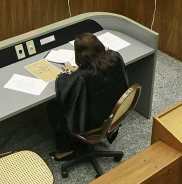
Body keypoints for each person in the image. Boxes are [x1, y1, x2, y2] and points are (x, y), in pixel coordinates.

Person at [47, 33, 129, 161]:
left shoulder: (81, 78)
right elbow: (96, 70)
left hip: (91, 122)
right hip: (114, 111)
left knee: (53, 106)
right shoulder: (115, 57)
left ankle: (65, 150)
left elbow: (63, 86)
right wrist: (79, 71)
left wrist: (67, 73)